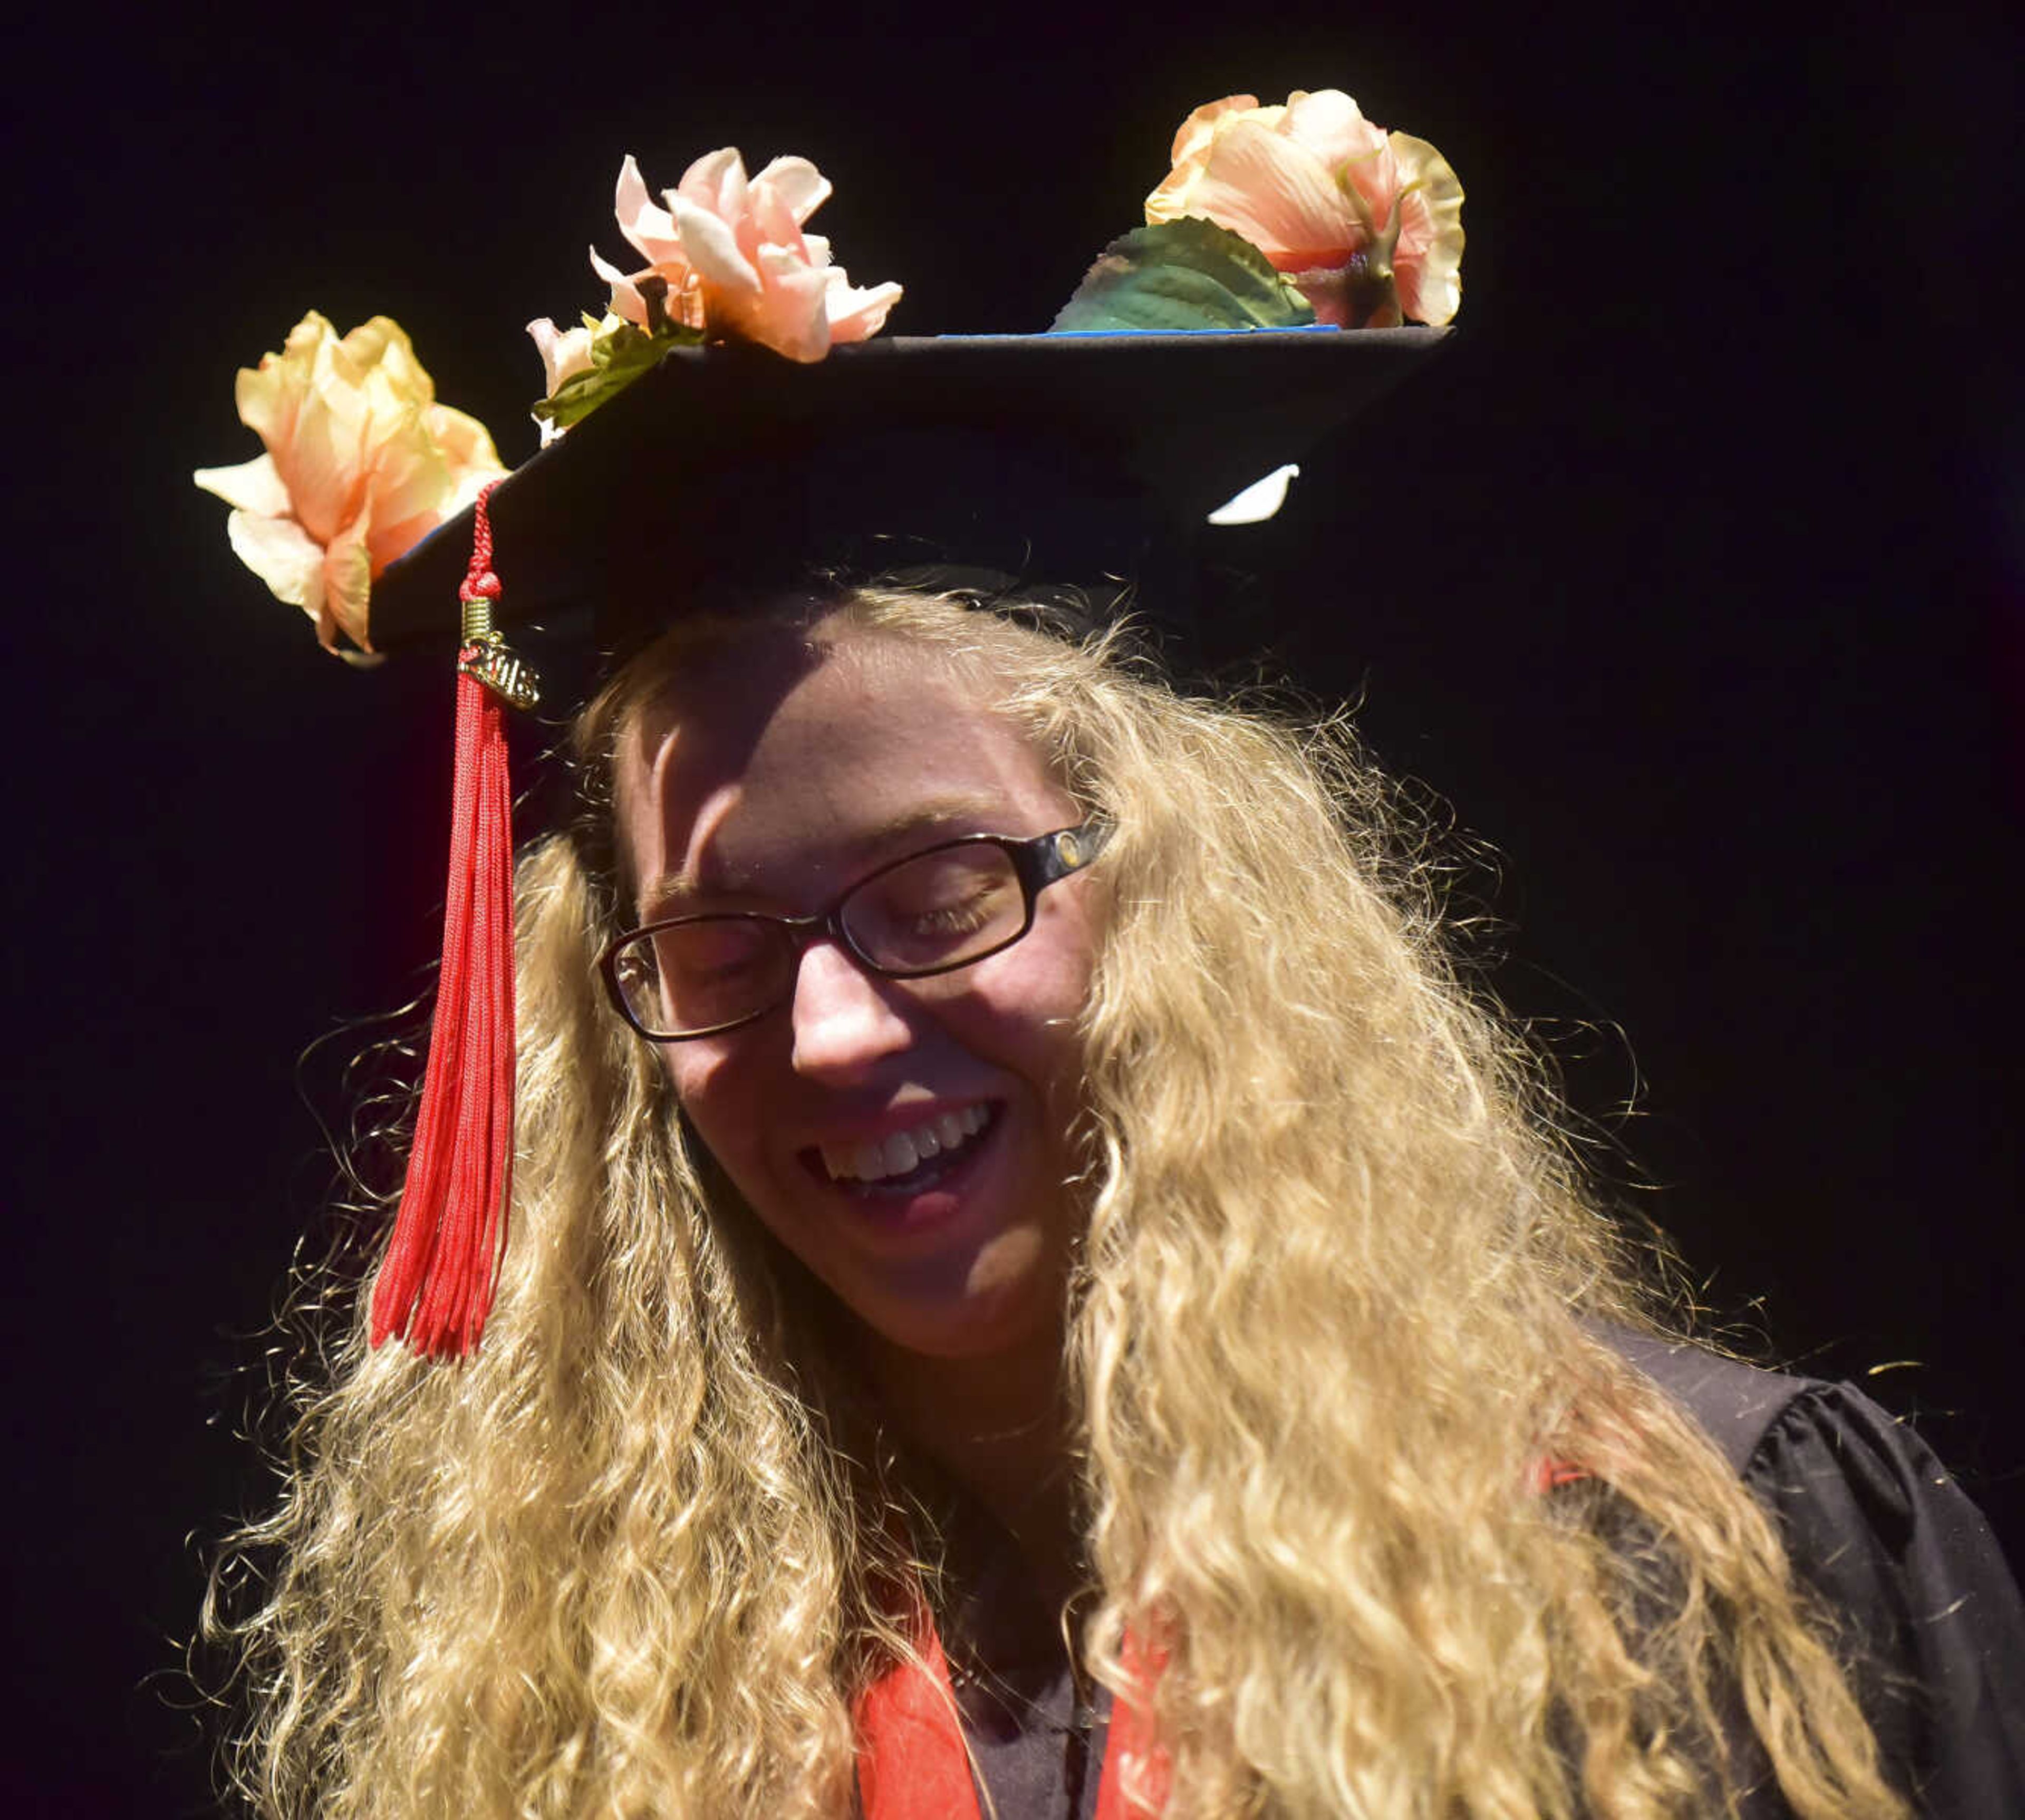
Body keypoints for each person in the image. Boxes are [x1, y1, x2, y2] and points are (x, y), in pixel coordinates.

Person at [197, 125, 2023, 1820]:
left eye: (939, 890)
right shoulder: (612, 1696)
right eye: (717, 945)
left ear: (1185, 890)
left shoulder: (1690, 1550)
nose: (829, 1033)